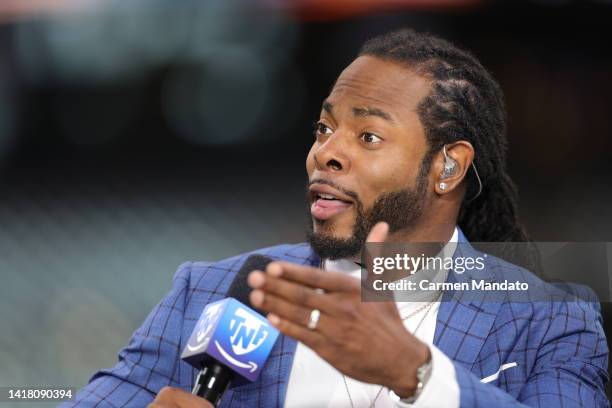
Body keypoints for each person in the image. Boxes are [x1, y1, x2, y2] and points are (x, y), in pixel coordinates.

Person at [63, 29, 609, 407]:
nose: (325, 153)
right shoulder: (214, 294)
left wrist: (417, 375)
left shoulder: (551, 322)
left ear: (448, 167)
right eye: (325, 129)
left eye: (368, 136)